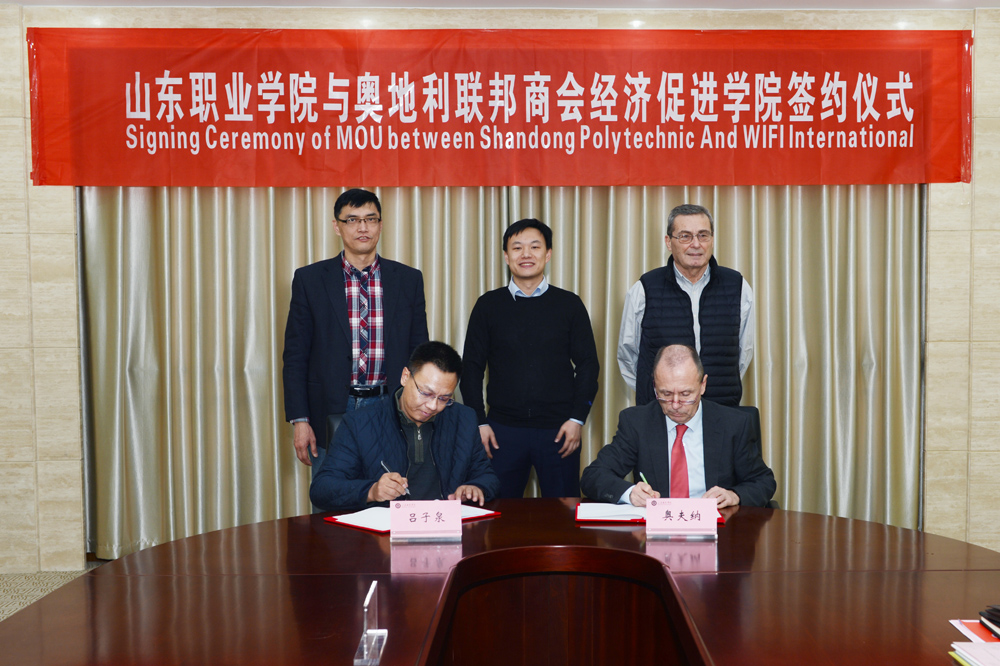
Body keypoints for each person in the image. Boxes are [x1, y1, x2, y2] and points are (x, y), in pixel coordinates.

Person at [282, 188, 429, 490]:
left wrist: (419, 408)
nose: (363, 227)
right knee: (333, 496)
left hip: (391, 406)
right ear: (337, 226)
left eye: (370, 219)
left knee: (392, 495)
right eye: (352, 220)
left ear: (380, 225)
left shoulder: (407, 279)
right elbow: (295, 356)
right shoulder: (310, 280)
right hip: (333, 407)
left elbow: (419, 352)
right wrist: (300, 420)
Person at [461, 218, 600, 498]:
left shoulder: (569, 304)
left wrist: (577, 419)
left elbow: (588, 365)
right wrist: (479, 422)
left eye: (535, 247)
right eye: (517, 248)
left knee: (563, 514)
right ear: (506, 256)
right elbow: (471, 368)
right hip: (501, 432)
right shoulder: (488, 305)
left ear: (548, 254)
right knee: (497, 512)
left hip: (559, 431)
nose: (526, 254)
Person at [310, 341, 500, 512]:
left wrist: (477, 487)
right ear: (405, 376)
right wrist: (371, 491)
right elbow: (322, 489)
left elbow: (487, 476)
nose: (433, 406)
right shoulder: (360, 423)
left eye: (444, 398)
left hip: (444, 526)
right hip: (384, 532)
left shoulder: (464, 419)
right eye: (426, 393)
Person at [582, 344, 775, 508]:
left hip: (716, 529)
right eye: (665, 394)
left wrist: (734, 495)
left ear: (703, 385)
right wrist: (630, 493)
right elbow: (593, 476)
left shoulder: (733, 424)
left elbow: (763, 481)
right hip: (657, 530)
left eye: (685, 394)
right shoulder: (637, 423)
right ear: (655, 386)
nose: (675, 405)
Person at [617, 203, 754, 407]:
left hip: (720, 408)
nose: (696, 244)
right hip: (660, 411)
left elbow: (743, 354)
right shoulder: (644, 289)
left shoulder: (738, 287)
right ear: (669, 242)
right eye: (685, 236)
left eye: (703, 235)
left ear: (712, 239)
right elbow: (628, 355)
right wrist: (659, 393)